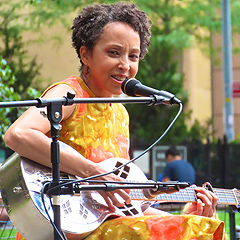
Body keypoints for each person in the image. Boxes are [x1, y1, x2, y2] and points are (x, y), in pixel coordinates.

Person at [4, 2, 224, 240]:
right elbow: (18, 134)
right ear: (85, 54)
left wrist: (185, 215)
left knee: (197, 226)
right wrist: (92, 171)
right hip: (60, 227)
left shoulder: (120, 112)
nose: (125, 66)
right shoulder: (69, 94)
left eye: (133, 56)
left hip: (105, 228)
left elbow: (124, 204)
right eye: (113, 53)